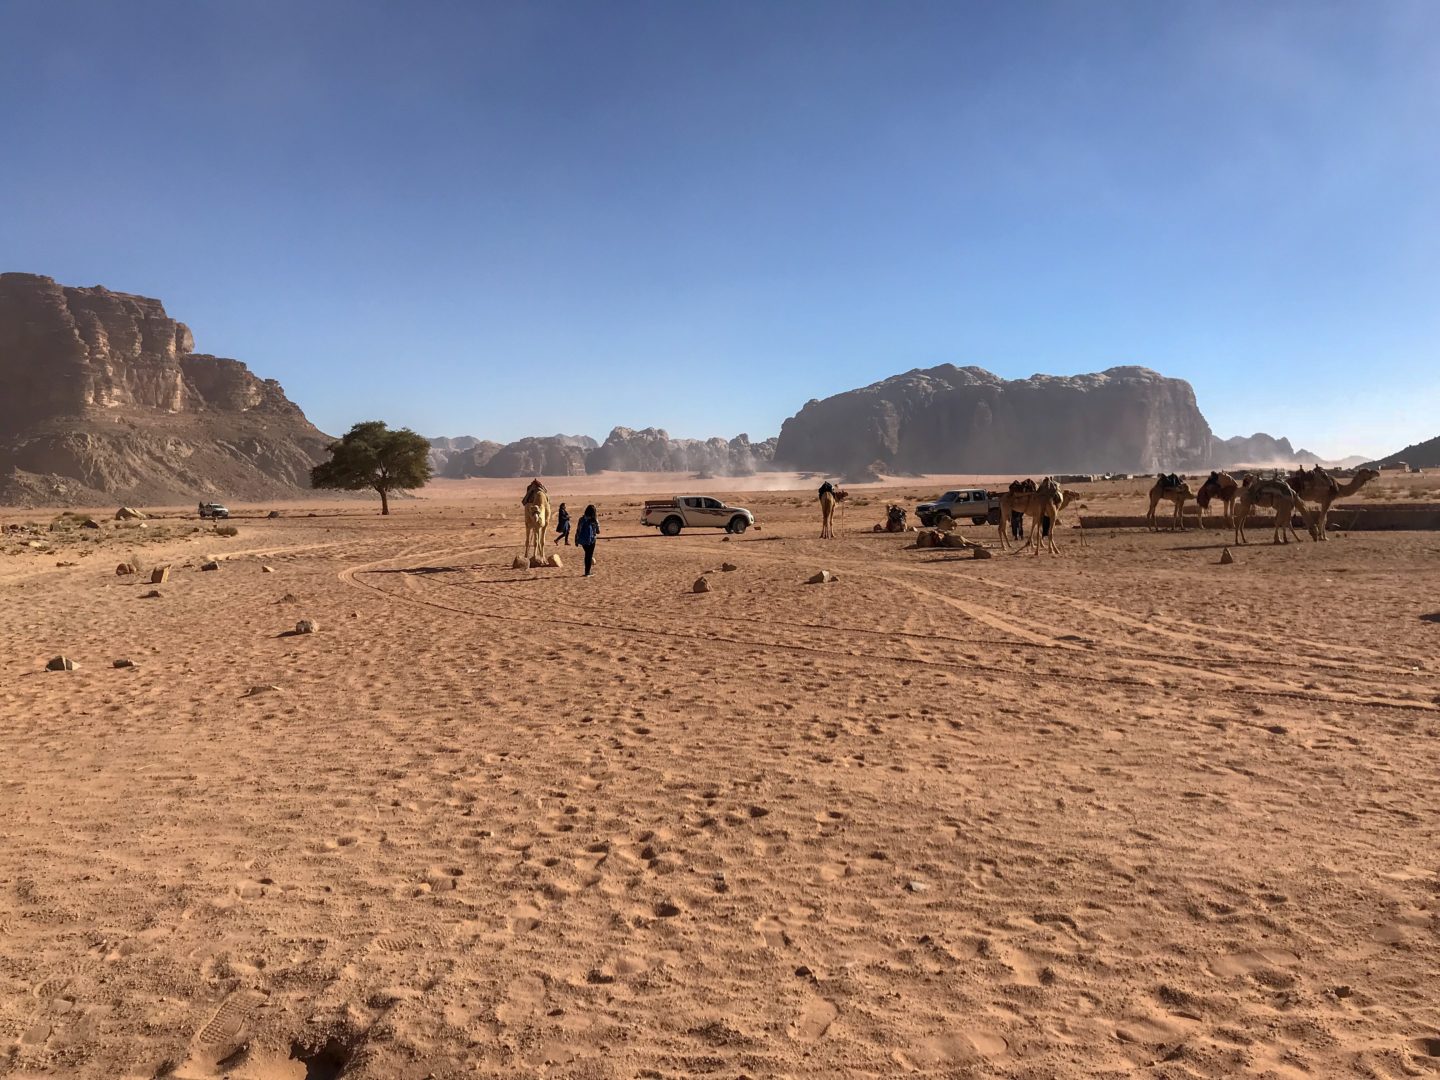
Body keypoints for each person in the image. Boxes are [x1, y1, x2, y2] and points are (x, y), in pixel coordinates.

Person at [575, 504, 599, 577]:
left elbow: (578, 530)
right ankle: (587, 572)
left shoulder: (581, 519)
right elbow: (598, 531)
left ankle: (587, 572)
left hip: (583, 540)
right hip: (592, 540)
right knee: (589, 555)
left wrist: (576, 540)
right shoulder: (594, 520)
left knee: (587, 555)